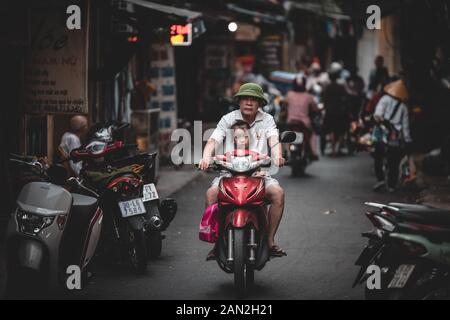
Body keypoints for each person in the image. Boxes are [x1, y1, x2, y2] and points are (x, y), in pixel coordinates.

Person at [199, 83, 286, 258]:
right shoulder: (228, 118)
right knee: (211, 194)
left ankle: (269, 241)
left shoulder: (267, 119)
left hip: (258, 174)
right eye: (245, 98)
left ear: (260, 103)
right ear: (239, 101)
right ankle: (217, 242)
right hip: (228, 174)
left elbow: (274, 140)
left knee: (278, 194)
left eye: (253, 99)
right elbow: (214, 140)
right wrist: (206, 157)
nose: (249, 102)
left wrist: (277, 155)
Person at [372, 79, 412, 192]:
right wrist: (407, 140)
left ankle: (380, 179)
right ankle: (392, 185)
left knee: (378, 157)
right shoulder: (404, 107)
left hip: (382, 134)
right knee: (394, 161)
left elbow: (377, 115)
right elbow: (405, 126)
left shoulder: (384, 100)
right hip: (395, 137)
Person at [285, 75, 321, 159]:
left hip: (291, 121)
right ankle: (313, 152)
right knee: (312, 135)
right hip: (304, 123)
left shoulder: (289, 95)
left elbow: (283, 105)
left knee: (285, 135)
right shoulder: (309, 96)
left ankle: (285, 152)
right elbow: (315, 109)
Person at [322, 62, 349, 157]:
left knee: (331, 131)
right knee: (341, 130)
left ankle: (334, 150)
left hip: (330, 112)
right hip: (339, 112)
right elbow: (345, 98)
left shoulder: (328, 87)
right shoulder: (341, 87)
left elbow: (324, 100)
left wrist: (325, 108)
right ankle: (337, 148)